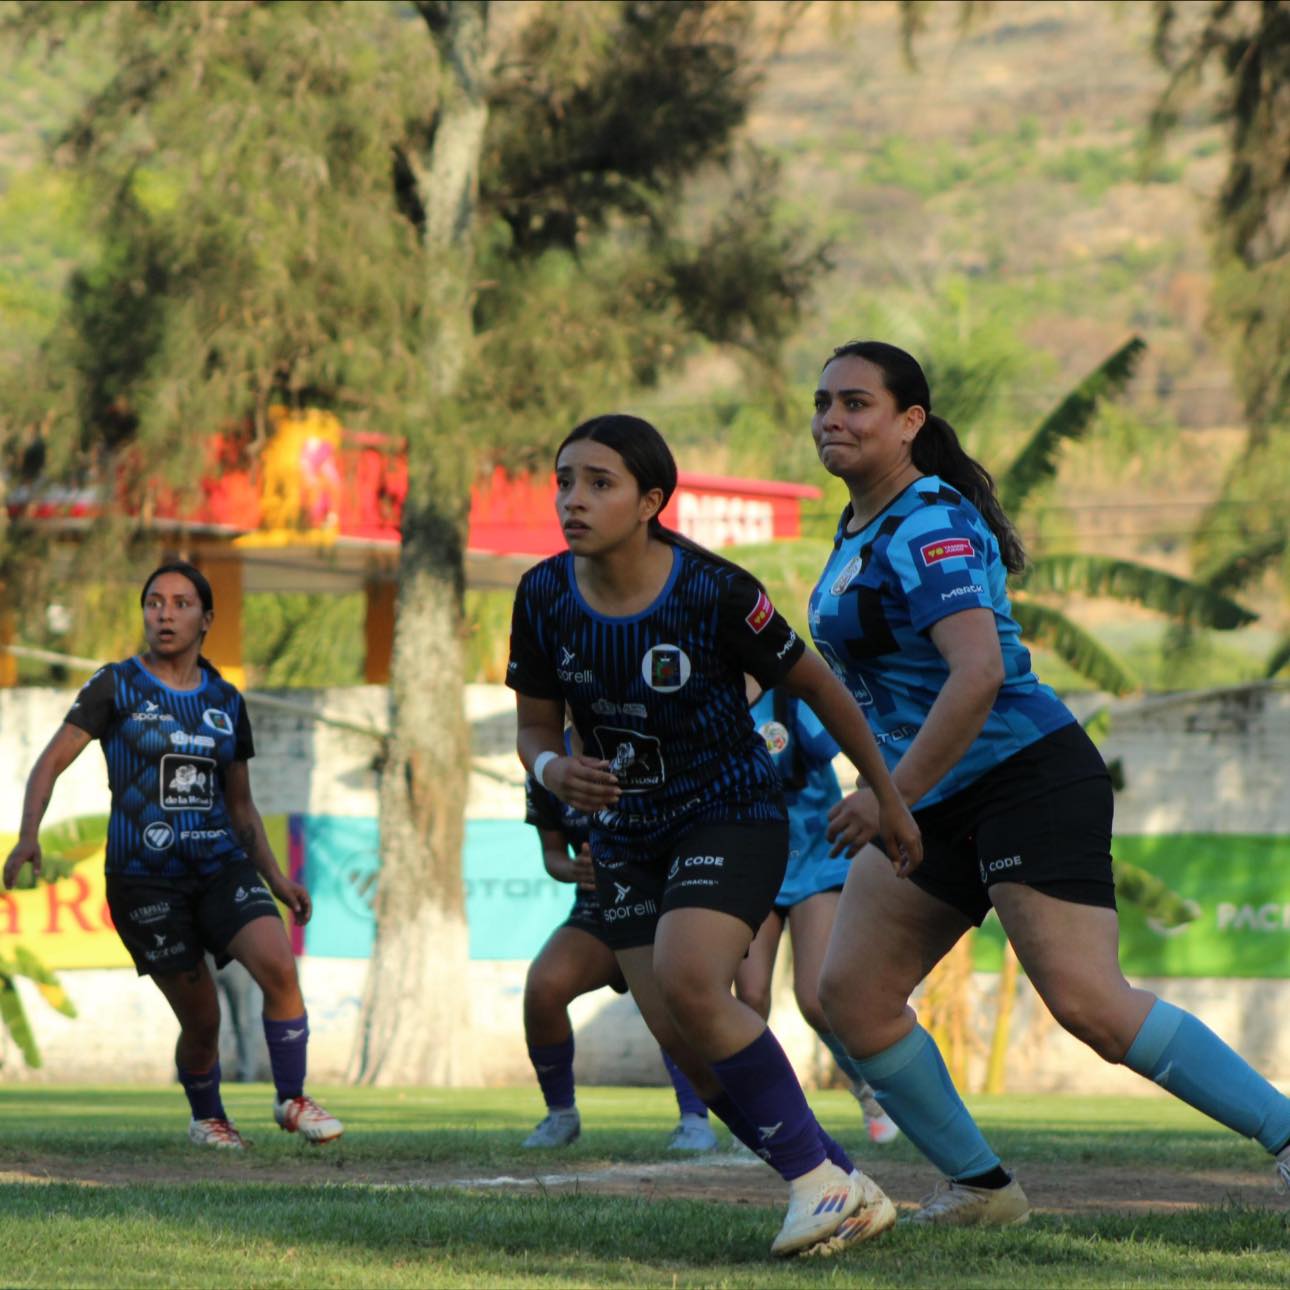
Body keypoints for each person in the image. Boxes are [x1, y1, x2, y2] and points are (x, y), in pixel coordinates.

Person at [807, 339, 1290, 1226]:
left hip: (1024, 777)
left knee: (1090, 1006)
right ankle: (983, 1191)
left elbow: (979, 674)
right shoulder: (857, 528)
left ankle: (1288, 1134)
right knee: (854, 998)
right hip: (931, 796)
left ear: (909, 422)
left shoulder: (929, 521)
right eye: (823, 403)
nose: (832, 419)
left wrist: (888, 794)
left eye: (856, 403)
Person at [507, 413, 922, 1258]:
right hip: (625, 838)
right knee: (682, 1039)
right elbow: (534, 728)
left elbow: (822, 688)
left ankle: (814, 1184)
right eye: (564, 481)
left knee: (692, 979)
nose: (573, 500)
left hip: (729, 814)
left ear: (650, 501)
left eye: (599, 483)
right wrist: (554, 771)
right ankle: (841, 1180)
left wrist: (888, 797)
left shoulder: (715, 590)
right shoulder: (542, 594)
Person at [2, 561, 343, 1151]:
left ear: (206, 619)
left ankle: (291, 1098)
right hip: (144, 880)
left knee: (279, 967)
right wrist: (29, 834)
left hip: (219, 867)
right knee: (203, 1019)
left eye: (181, 604)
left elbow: (241, 807)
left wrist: (276, 878)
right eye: (154, 602)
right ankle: (207, 1118)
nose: (164, 614)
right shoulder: (116, 685)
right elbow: (50, 762)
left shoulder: (225, 701)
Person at [521, 727, 718, 1152]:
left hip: (665, 904)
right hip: (599, 912)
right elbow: (553, 854)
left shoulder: (648, 738)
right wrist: (573, 869)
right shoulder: (546, 762)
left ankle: (695, 1119)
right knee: (543, 987)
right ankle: (560, 1115)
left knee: (675, 1000)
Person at [736, 685, 899, 1146]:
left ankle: (869, 1088)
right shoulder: (711, 695)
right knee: (749, 996)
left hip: (815, 857)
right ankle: (761, 1113)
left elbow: (845, 738)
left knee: (814, 997)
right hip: (751, 859)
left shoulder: (792, 692)